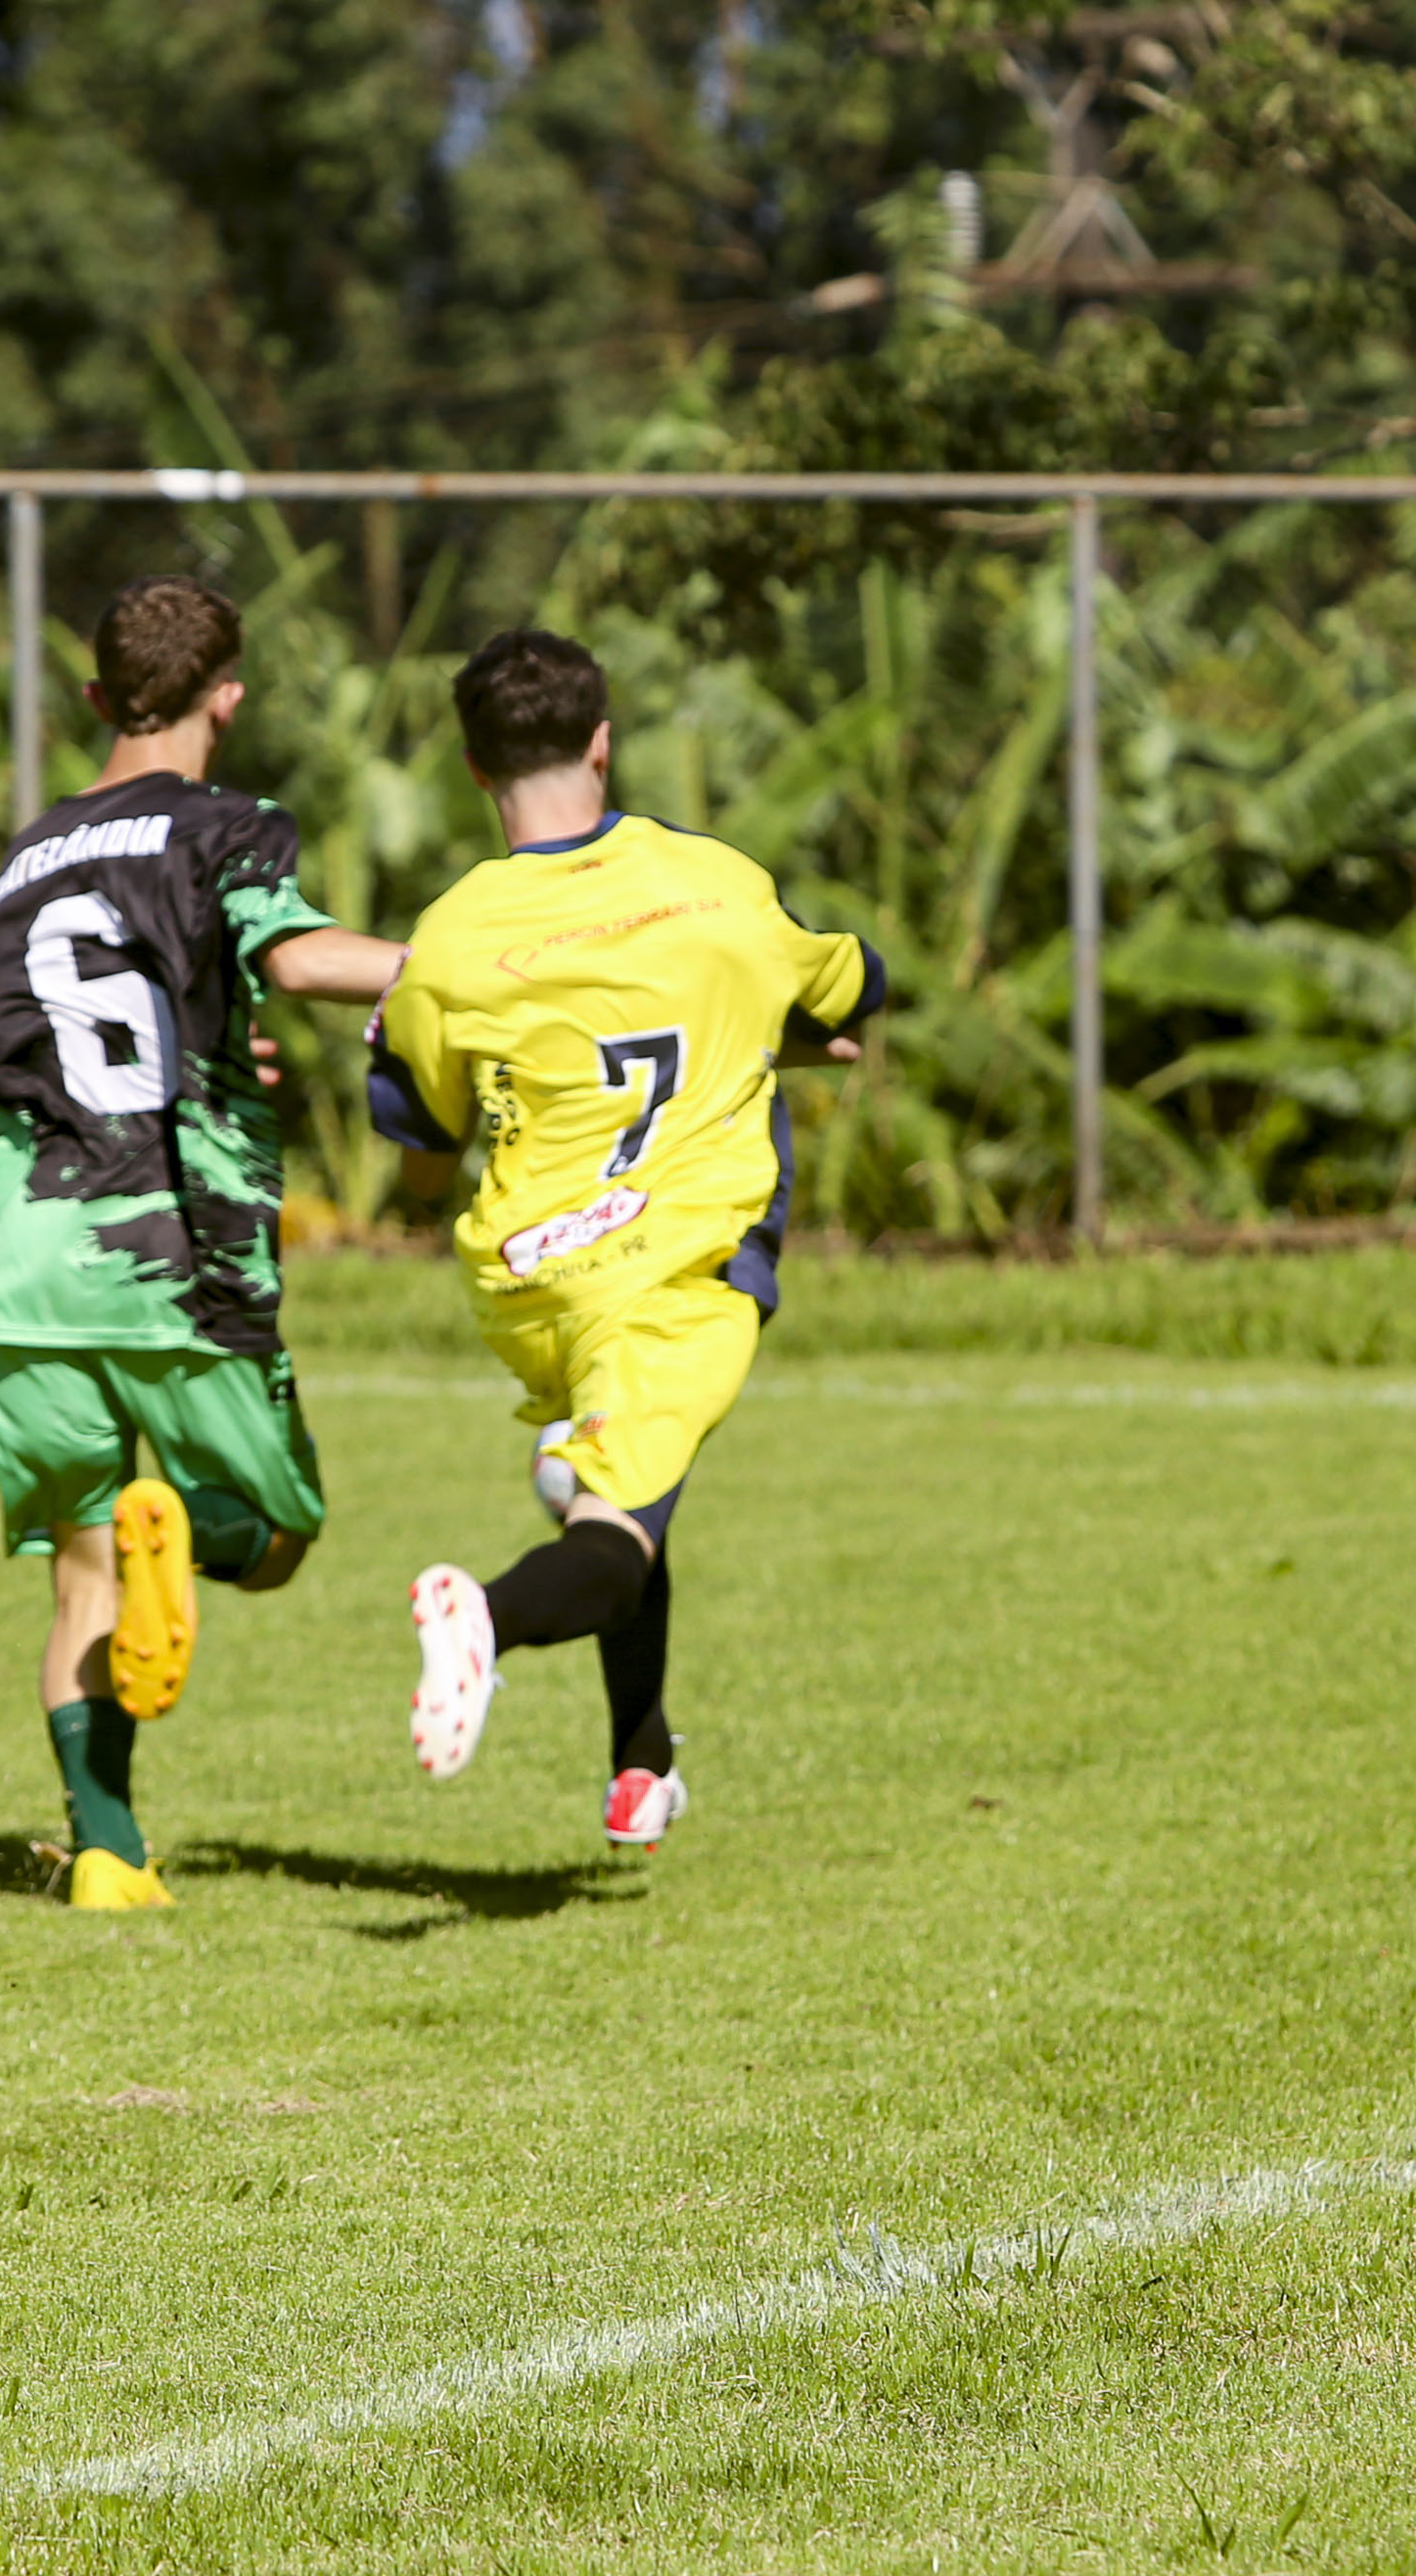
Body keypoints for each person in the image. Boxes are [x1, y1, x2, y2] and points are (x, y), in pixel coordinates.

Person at [0, 575, 409, 1910]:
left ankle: (106, 1854)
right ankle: (182, 1543)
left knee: (84, 1564)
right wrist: (458, 964)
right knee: (278, 1531)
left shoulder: (18, 865)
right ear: (228, 695)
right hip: (165, 1250)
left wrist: (186, 1039)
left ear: (94, 702)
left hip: (6, 1256)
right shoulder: (227, 827)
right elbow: (299, 961)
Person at [369, 626, 888, 1845]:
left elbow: (422, 1131)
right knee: (609, 1530)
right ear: (604, 744)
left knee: (615, 1488)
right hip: (679, 1267)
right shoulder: (718, 885)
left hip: (532, 1281)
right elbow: (853, 994)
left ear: (471, 768)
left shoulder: (451, 937)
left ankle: (640, 1761)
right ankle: (484, 1621)